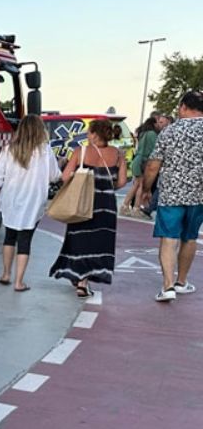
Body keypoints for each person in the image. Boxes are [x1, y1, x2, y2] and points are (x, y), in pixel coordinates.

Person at [49, 119, 127, 296]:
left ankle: (80, 280)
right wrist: (106, 185)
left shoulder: (80, 151)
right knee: (99, 243)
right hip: (106, 205)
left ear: (94, 134)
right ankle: (85, 280)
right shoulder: (118, 154)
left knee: (80, 240)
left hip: (82, 203)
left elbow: (65, 176)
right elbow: (122, 181)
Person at [0, 114, 61, 291]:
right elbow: (55, 176)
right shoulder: (45, 151)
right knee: (25, 241)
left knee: (9, 237)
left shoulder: (8, 149)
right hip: (33, 202)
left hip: (11, 199)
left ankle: (5, 274)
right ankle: (19, 282)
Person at [141, 90, 203, 302]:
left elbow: (153, 166)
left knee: (169, 238)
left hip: (171, 194)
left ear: (183, 107)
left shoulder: (169, 132)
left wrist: (147, 189)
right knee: (190, 237)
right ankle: (182, 281)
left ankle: (168, 286)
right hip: (199, 195)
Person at [122, 112, 171, 216]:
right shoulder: (153, 135)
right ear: (154, 124)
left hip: (137, 160)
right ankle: (134, 207)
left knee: (136, 185)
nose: (159, 125)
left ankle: (127, 206)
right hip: (143, 162)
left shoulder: (144, 132)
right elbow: (155, 151)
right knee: (140, 186)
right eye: (158, 123)